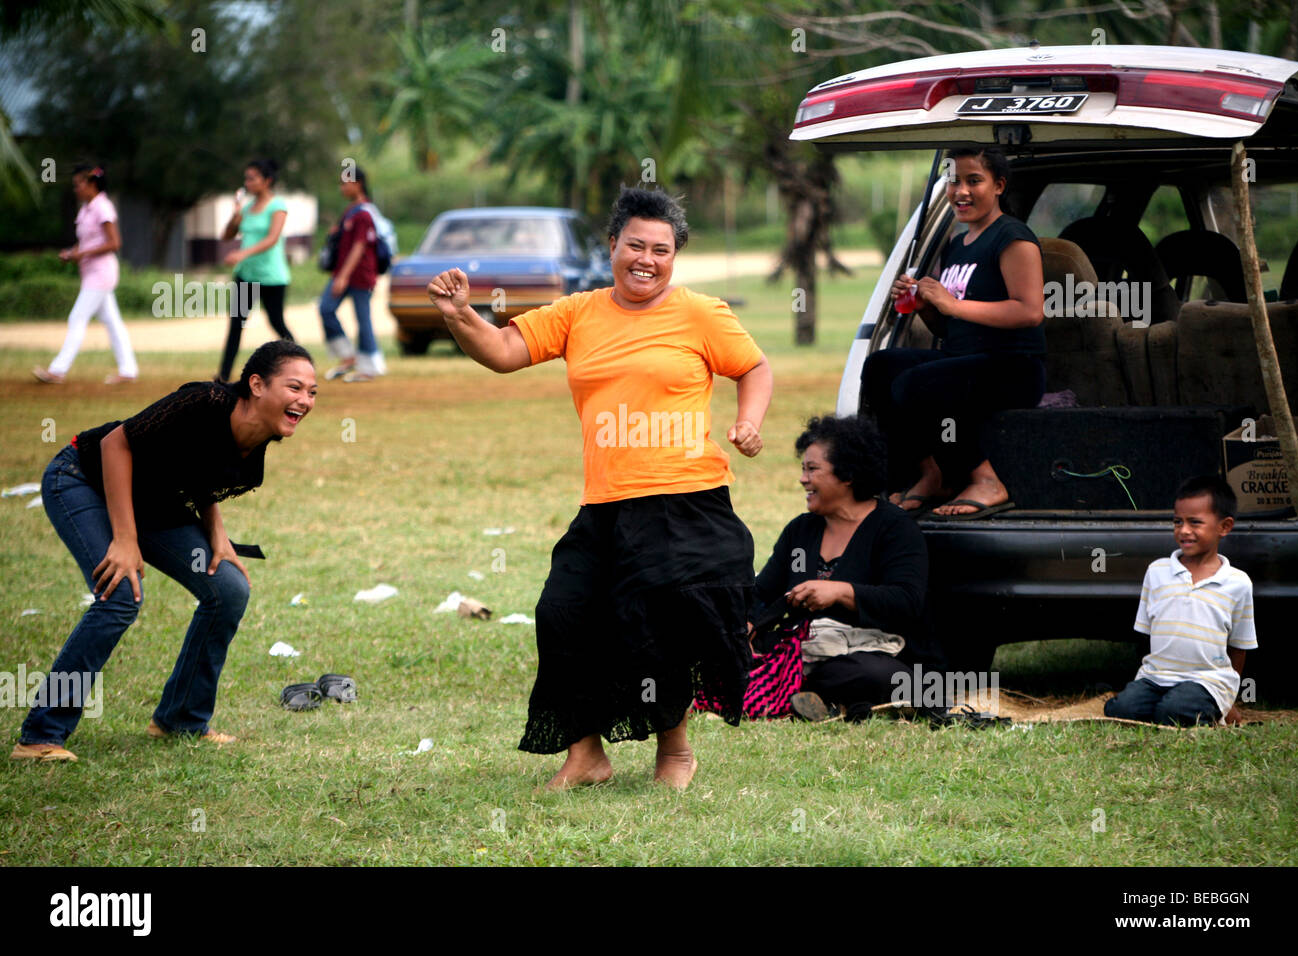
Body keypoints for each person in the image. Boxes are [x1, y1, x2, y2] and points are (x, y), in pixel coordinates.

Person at [426, 186, 772, 790]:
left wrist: (749, 421)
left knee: (656, 628)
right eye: (634, 244)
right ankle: (586, 754)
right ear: (612, 245)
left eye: (661, 250)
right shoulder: (577, 312)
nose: (647, 258)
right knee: (562, 613)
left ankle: (675, 751)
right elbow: (505, 351)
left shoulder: (701, 313)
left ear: (674, 256)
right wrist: (461, 315)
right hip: (606, 503)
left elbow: (754, 367)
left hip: (683, 498)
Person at [11, 341, 317, 763]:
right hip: (83, 478)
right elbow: (117, 445)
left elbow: (202, 473)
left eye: (313, 392)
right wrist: (124, 539)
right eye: (296, 387)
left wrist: (217, 533)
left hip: (152, 502)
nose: (305, 400)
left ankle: (181, 719)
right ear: (257, 384)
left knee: (227, 589)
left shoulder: (256, 448)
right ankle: (39, 736)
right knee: (119, 593)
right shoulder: (203, 402)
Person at [862, 146, 1045, 519]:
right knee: (881, 367)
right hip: (964, 359)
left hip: (1014, 366)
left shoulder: (1013, 237)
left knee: (920, 383)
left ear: (998, 186)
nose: (961, 191)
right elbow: (950, 327)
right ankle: (932, 473)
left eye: (974, 180)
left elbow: (1030, 311)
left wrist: (951, 303)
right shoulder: (956, 245)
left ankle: (987, 479)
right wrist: (927, 307)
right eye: (953, 181)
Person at [752, 415, 928, 722]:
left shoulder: (895, 529)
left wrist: (841, 592)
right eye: (802, 469)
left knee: (877, 675)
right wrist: (748, 623)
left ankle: (803, 692)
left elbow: (906, 601)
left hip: (870, 655)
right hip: (801, 648)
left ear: (847, 474)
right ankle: (815, 697)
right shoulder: (801, 531)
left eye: (812, 469)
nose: (803, 479)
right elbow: (763, 593)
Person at [1104, 476, 1256, 727]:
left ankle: (1210, 708)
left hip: (1207, 681)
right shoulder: (1157, 572)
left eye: (1195, 522)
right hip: (1156, 678)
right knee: (1122, 709)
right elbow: (1146, 634)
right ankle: (1167, 702)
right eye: (1177, 522)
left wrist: (1227, 699)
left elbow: (1240, 646)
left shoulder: (1237, 583)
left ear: (1224, 526)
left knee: (1173, 712)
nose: (1184, 530)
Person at [33, 164, 139, 386]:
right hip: (90, 272)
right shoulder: (85, 209)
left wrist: (82, 253)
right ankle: (128, 369)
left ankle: (58, 370)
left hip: (101, 273)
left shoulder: (103, 208)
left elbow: (114, 243)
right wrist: (73, 252)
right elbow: (88, 241)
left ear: (92, 184)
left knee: (77, 317)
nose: (76, 188)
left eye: (79, 184)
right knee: (112, 321)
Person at [217, 158, 295, 382]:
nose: (247, 182)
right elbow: (226, 236)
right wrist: (235, 217)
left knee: (276, 322)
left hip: (271, 277)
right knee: (236, 324)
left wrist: (242, 253)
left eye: (252, 178)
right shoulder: (248, 208)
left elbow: (271, 239)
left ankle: (301, 364)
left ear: (267, 181)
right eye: (246, 178)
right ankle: (222, 377)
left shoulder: (277, 206)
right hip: (246, 276)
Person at [320, 165, 384, 383]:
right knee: (325, 308)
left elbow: (359, 247)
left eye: (344, 183)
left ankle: (369, 367)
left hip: (359, 276)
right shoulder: (350, 211)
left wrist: (343, 276)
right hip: (342, 273)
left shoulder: (365, 213)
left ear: (357, 184)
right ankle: (348, 356)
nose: (341, 188)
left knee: (363, 319)